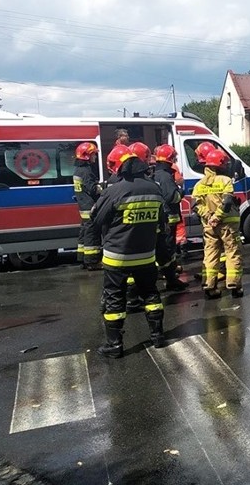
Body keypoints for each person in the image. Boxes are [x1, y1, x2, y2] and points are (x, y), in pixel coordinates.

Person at [90, 145, 167, 358]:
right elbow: (162, 223)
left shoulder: (114, 190)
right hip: (146, 256)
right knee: (151, 293)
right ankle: (158, 337)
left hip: (117, 257)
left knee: (115, 300)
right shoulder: (155, 189)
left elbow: (97, 220)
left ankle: (114, 346)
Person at [192, 149, 243, 299]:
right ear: (221, 165)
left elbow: (195, 205)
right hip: (228, 225)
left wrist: (209, 217)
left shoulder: (199, 184)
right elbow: (227, 202)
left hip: (209, 227)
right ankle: (234, 285)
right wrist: (217, 217)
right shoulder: (225, 181)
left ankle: (209, 285)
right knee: (232, 253)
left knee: (210, 255)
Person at [152, 144, 189, 291]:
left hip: (163, 217)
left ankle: (169, 272)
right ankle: (170, 278)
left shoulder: (156, 174)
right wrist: (181, 192)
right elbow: (171, 197)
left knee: (165, 248)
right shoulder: (166, 176)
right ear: (170, 159)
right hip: (169, 217)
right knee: (168, 249)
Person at [73, 142, 102, 270]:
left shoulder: (78, 170)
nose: (95, 157)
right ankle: (92, 261)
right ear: (87, 156)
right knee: (92, 233)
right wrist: (104, 188)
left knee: (84, 232)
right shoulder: (86, 171)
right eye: (93, 154)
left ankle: (83, 258)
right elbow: (92, 189)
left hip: (83, 206)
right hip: (90, 207)